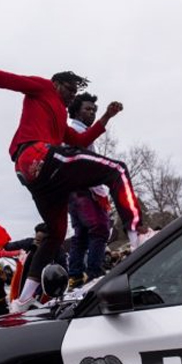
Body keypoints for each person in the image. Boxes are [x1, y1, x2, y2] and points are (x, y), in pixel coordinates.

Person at [0, 64, 144, 312]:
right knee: (116, 170)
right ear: (57, 83)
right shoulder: (43, 87)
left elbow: (80, 140)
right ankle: (138, 236)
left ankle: (22, 300)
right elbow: (11, 79)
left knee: (56, 233)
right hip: (36, 155)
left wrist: (105, 118)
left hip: (33, 176)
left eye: (74, 94)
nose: (71, 97)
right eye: (70, 90)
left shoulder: (60, 117)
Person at [66, 93, 112, 288]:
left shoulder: (79, 131)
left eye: (94, 110)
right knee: (100, 228)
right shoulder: (74, 132)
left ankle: (75, 276)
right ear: (76, 111)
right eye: (88, 109)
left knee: (82, 234)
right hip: (83, 189)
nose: (92, 113)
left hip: (73, 191)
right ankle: (94, 273)